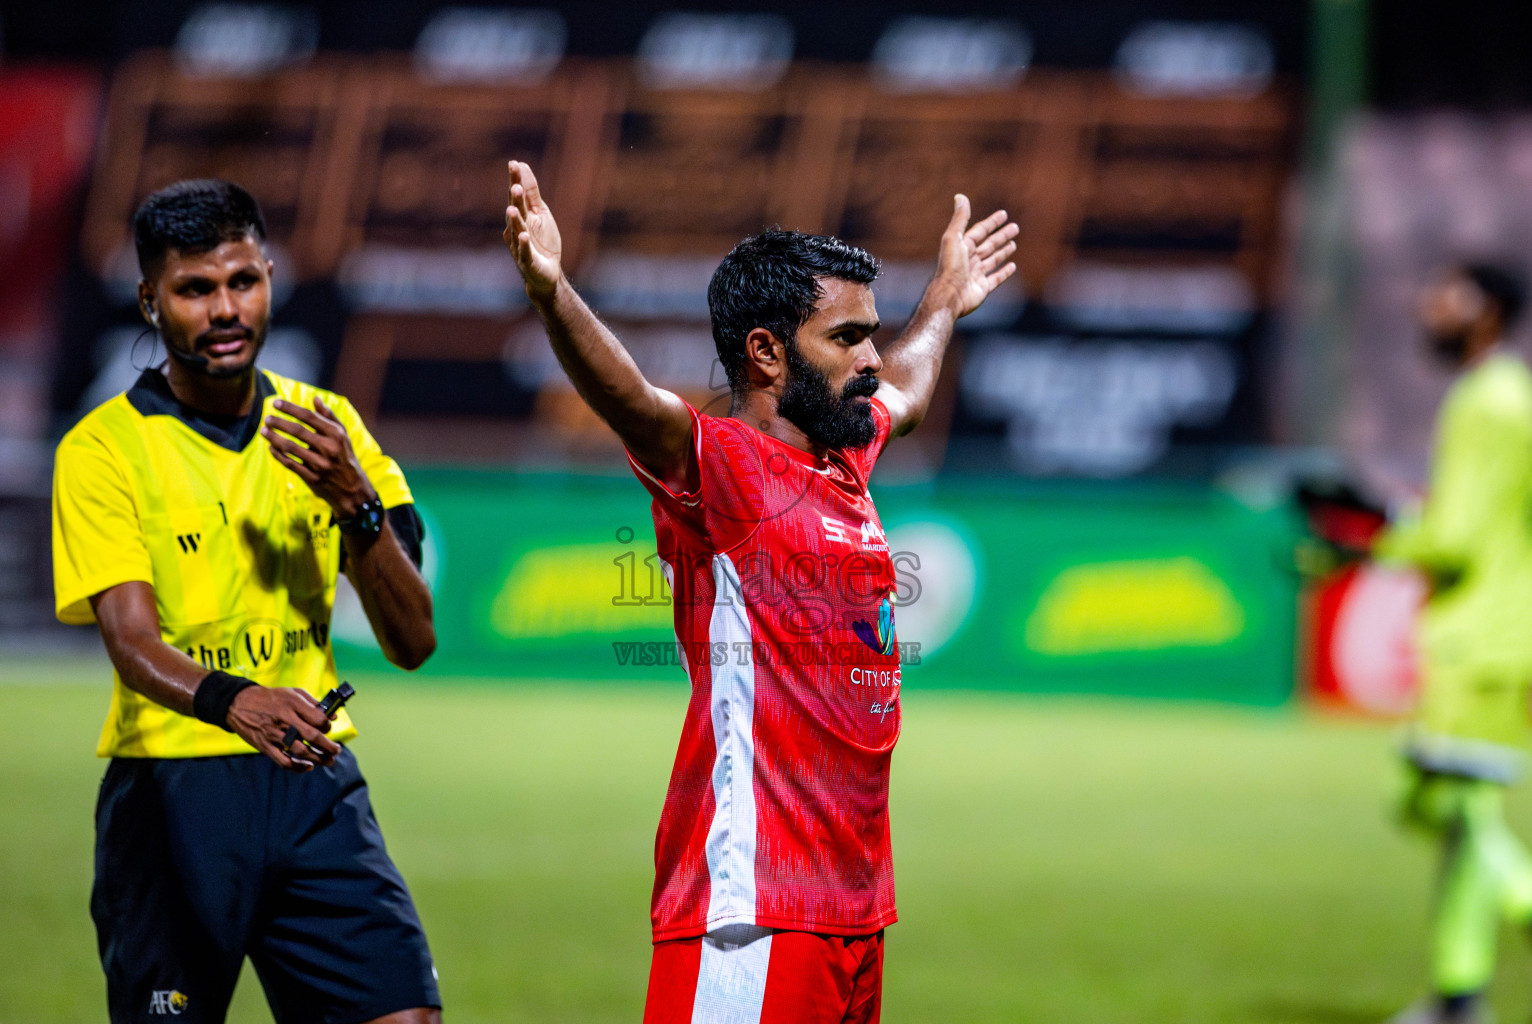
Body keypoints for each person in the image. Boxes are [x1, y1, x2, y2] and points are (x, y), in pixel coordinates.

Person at [501, 160, 1016, 1022]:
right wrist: (554, 295)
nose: (870, 357)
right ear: (768, 351)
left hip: (853, 911)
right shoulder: (726, 468)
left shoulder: (841, 454)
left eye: (870, 333)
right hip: (753, 913)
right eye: (846, 338)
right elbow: (630, 399)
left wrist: (943, 301)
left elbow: (910, 389)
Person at [52, 179, 442, 1024]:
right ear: (150, 301)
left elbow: (413, 638)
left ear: (269, 274)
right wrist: (237, 704)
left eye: (242, 281)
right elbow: (129, 640)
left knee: (403, 1015)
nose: (225, 308)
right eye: (195, 290)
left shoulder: (329, 428)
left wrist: (357, 505)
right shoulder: (103, 449)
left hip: (315, 786)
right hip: (171, 797)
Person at [1376, 263, 1532, 1024]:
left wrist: (1374, 538)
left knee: (1446, 809)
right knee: (1451, 811)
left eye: (1446, 295)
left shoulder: (1490, 402)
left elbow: (1457, 538)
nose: (1427, 305)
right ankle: (1458, 1000)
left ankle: (1520, 902)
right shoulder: (1508, 397)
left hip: (1477, 641)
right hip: (1500, 636)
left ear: (1487, 312)